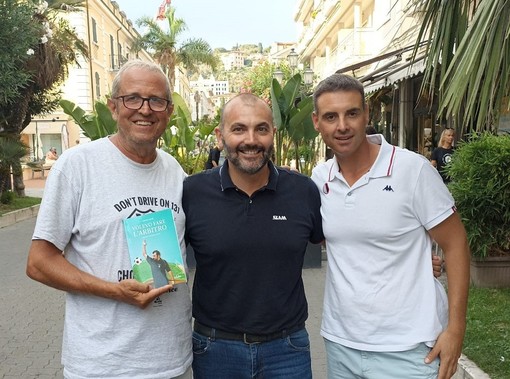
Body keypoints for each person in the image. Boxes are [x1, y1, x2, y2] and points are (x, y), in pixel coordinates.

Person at [26, 60, 192, 379]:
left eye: (156, 100)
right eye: (133, 98)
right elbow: (38, 262)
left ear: (169, 112)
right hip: (102, 365)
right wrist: (114, 291)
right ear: (113, 107)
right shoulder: (77, 166)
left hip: (172, 361)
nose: (145, 109)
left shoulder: (175, 172)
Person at [311, 74, 470, 379]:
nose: (342, 125)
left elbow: (456, 244)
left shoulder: (413, 170)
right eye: (331, 116)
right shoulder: (320, 180)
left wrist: (456, 330)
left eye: (352, 113)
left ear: (366, 114)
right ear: (318, 122)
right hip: (341, 344)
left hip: (409, 350)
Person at [183, 93, 324, 378]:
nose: (251, 140)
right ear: (220, 136)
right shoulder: (192, 193)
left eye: (261, 128)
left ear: (273, 132)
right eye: (238, 129)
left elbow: (343, 244)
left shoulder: (303, 191)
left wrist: (417, 260)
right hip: (214, 349)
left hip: (287, 350)